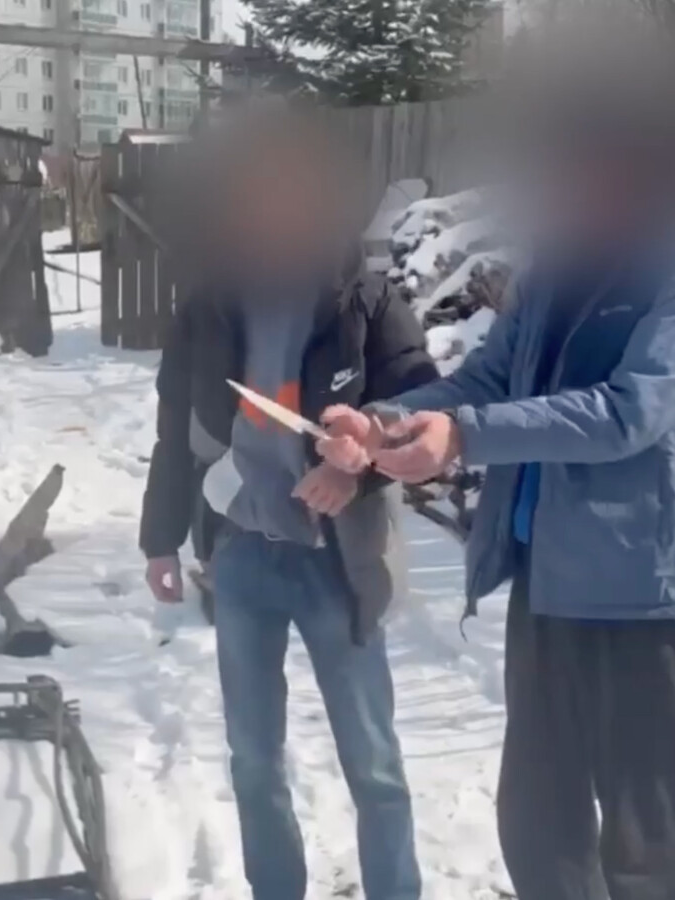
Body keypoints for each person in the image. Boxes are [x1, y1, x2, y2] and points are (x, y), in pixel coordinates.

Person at [315, 74, 675, 899]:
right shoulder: (558, 271)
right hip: (545, 586)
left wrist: (463, 437)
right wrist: (382, 426)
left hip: (644, 603)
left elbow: (628, 413)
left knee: (651, 850)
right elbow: (486, 378)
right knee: (539, 829)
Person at [138, 111, 438, 900]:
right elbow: (176, 426)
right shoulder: (209, 305)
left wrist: (356, 473)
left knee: (374, 764)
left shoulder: (365, 302)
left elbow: (422, 412)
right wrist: (160, 538)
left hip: (338, 560)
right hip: (242, 556)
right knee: (253, 761)